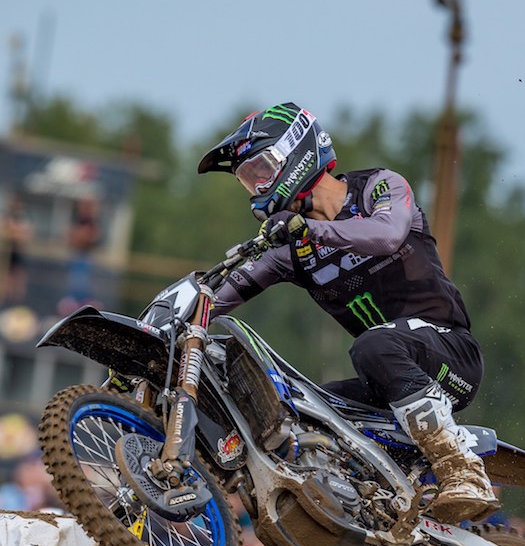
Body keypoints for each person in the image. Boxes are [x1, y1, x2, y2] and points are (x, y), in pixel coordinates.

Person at [198, 102, 496, 524]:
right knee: (304, 412)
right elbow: (218, 297)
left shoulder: (379, 186)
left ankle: (461, 467)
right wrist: (168, 319)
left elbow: (388, 234)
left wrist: (312, 230)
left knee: (373, 344)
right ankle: (356, 525)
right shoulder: (292, 249)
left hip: (450, 357)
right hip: (383, 382)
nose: (257, 187)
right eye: (248, 179)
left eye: (262, 171)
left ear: (296, 154)